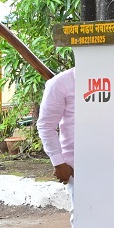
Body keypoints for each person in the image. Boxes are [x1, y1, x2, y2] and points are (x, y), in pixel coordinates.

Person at [37, 69, 75, 208]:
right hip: (77, 167)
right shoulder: (61, 82)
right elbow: (46, 125)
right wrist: (59, 163)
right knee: (83, 214)